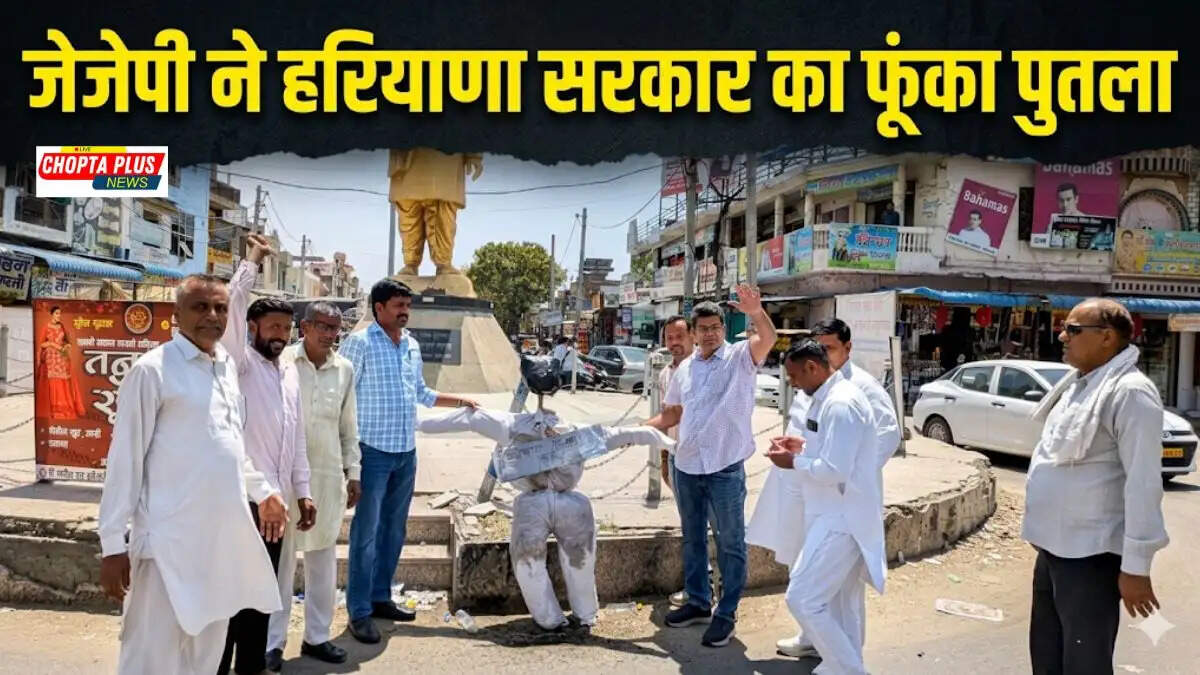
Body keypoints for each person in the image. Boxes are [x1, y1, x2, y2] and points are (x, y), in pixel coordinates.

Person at [97, 273, 288, 674]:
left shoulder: (226, 369)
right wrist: (112, 544)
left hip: (218, 547)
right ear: (177, 313)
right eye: (201, 306)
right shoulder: (152, 371)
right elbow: (125, 460)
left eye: (220, 308)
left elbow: (230, 447)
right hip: (166, 547)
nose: (212, 316)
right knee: (150, 659)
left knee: (204, 659)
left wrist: (264, 491)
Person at [418, 396, 672, 632]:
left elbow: (470, 418)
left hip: (543, 502)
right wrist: (668, 444)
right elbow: (631, 434)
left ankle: (558, 618)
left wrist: (418, 423)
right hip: (556, 503)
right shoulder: (572, 431)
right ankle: (576, 615)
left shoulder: (515, 424)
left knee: (541, 561)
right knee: (565, 561)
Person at [1024, 298, 1169, 675]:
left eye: (1073, 330)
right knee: (1047, 656)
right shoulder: (1079, 385)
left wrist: (1136, 567)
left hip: (1091, 556)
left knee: (1084, 664)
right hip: (1055, 550)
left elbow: (1143, 483)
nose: (1062, 336)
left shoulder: (1130, 392)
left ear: (1107, 337)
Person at [338, 278, 480, 644]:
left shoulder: (411, 345)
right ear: (379, 308)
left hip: (405, 453)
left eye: (407, 305)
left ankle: (380, 596)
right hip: (372, 453)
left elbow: (420, 392)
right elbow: (342, 397)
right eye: (398, 305)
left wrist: (460, 401)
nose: (405, 312)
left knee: (394, 530)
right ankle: (359, 611)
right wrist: (348, 460)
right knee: (366, 533)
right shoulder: (360, 343)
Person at [646, 284, 777, 648]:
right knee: (693, 538)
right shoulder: (685, 369)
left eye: (715, 327)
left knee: (730, 542)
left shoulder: (740, 358)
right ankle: (699, 602)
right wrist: (637, 431)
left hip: (724, 466)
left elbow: (768, 338)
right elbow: (673, 413)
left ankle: (726, 612)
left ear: (723, 329)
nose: (710, 334)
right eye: (703, 329)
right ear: (693, 332)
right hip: (686, 465)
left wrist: (756, 312)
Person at [767, 318, 901, 658]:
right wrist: (802, 448)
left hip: (841, 505)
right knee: (816, 585)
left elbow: (881, 440)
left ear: (846, 348)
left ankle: (846, 659)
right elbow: (821, 439)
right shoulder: (821, 388)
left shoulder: (853, 391)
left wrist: (852, 475)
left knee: (837, 594)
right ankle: (826, 650)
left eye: (829, 348)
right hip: (816, 497)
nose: (823, 355)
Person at [219, 234, 317, 675]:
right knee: (228, 599)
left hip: (275, 508)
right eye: (273, 327)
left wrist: (304, 492)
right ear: (254, 328)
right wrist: (252, 261)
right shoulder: (238, 364)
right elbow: (233, 305)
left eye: (286, 328)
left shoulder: (289, 373)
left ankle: (251, 668)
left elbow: (296, 439)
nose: (281, 335)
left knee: (261, 595)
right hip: (239, 502)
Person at [267, 302, 362, 666]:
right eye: (322, 326)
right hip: (285, 478)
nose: (329, 334)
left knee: (322, 560)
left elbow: (348, 426)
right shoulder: (282, 363)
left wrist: (354, 473)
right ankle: (272, 643)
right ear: (304, 327)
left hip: (326, 475)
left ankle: (317, 638)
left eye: (335, 328)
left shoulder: (344, 369)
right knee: (281, 562)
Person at [657, 315, 718, 609]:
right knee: (691, 529)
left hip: (711, 462)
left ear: (692, 336)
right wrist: (664, 457)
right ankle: (700, 590)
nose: (674, 343)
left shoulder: (705, 369)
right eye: (669, 338)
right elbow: (667, 418)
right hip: (678, 459)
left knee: (720, 529)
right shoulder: (666, 374)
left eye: (679, 336)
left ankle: (719, 590)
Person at [35, 305, 86, 419]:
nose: (59, 315)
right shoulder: (46, 327)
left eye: (60, 313)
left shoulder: (62, 326)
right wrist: (52, 344)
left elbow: (68, 342)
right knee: (53, 381)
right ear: (52, 314)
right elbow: (42, 344)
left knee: (63, 382)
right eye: (57, 313)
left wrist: (66, 346)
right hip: (51, 359)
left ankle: (64, 408)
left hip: (62, 358)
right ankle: (54, 409)